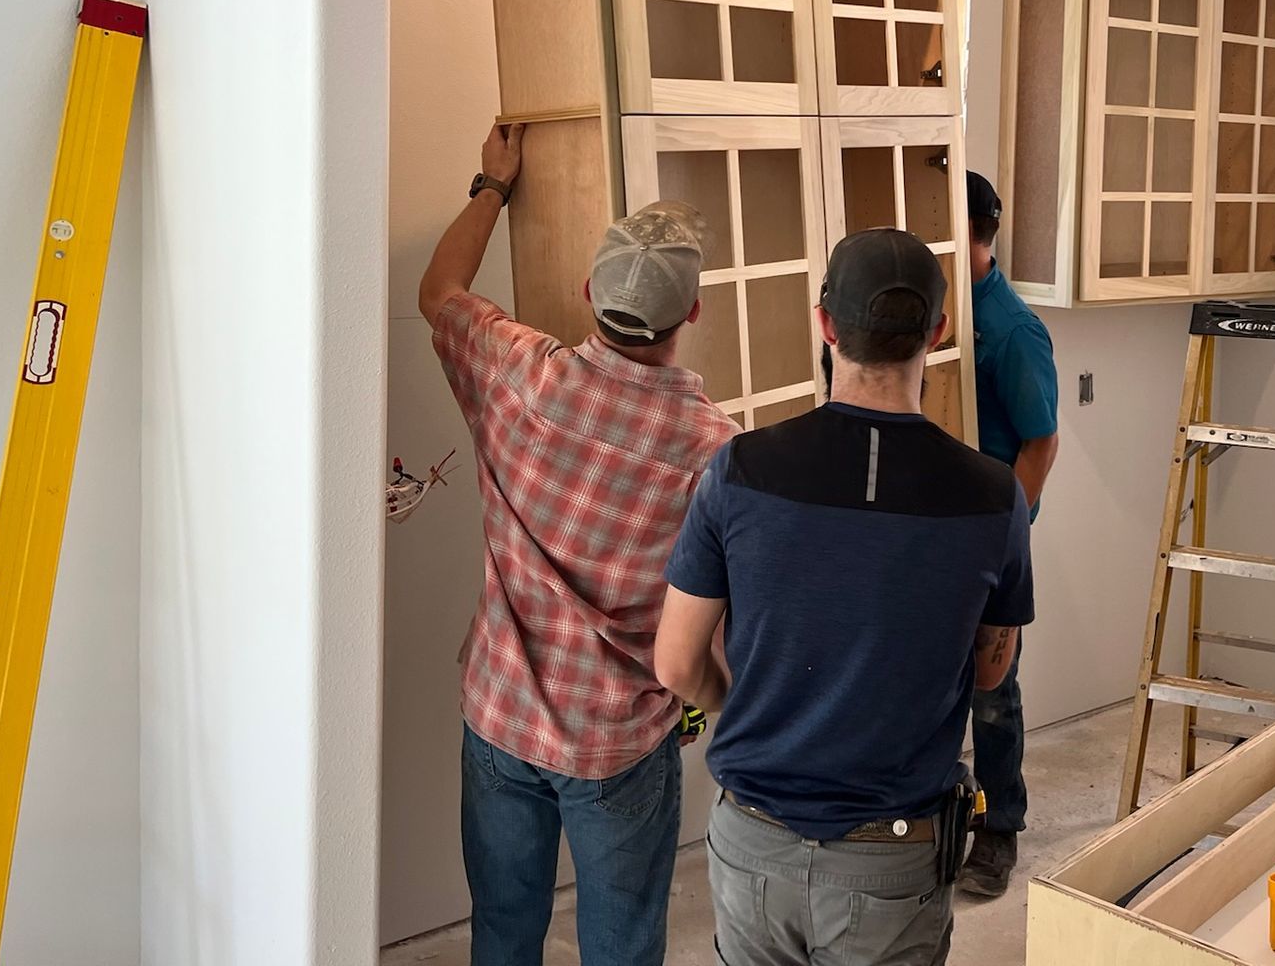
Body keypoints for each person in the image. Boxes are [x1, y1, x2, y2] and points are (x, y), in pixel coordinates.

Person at [655, 228, 1035, 966]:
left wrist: (743, 702)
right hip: (893, 854)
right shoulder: (994, 496)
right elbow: (992, 670)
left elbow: (674, 664)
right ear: (938, 331)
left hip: (752, 842)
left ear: (826, 325)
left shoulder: (739, 469)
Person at [419, 122, 736, 966]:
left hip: (500, 717)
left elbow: (439, 290)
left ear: (590, 290)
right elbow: (719, 612)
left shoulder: (516, 372)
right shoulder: (716, 452)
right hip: (617, 743)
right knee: (621, 948)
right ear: (692, 312)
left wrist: (493, 187)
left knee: (502, 930)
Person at [959, 171, 1061, 899]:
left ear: (973, 235)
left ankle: (999, 827)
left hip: (987, 538)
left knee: (993, 694)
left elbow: (1040, 441)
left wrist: (1008, 535)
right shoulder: (936, 306)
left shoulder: (1011, 329)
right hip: (932, 532)